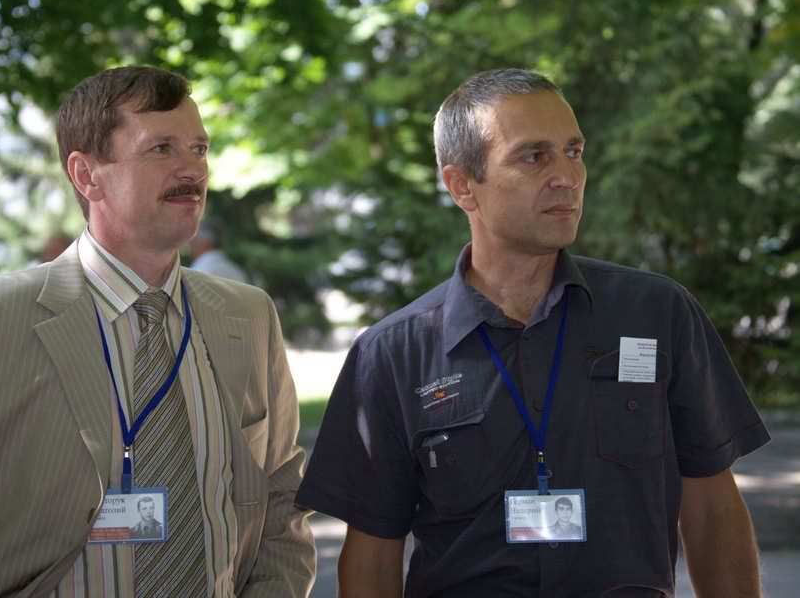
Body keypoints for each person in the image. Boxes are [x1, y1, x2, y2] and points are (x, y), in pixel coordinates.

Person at [296, 68, 770, 597]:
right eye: (533, 156)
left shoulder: (657, 314)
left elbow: (712, 507)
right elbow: (372, 556)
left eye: (574, 151)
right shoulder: (393, 355)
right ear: (462, 185)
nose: (567, 176)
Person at [0, 65, 314, 597]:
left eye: (199, 149)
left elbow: (282, 500)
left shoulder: (249, 315)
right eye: (161, 148)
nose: (193, 169)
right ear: (86, 175)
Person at [189, 217, 249, 283]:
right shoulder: (237, 271)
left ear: (205, 242)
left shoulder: (199, 271)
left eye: (194, 240)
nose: (190, 244)